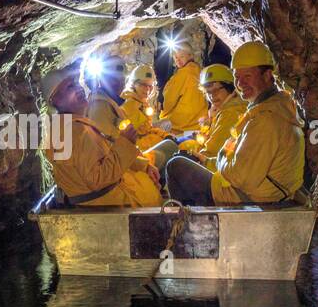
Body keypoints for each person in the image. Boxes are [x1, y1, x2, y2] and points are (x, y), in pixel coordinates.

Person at [164, 41, 306, 207]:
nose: (241, 84)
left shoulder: (266, 119)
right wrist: (207, 161)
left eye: (247, 77)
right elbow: (238, 159)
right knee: (183, 158)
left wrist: (221, 158)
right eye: (237, 77)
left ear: (267, 75)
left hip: (250, 197)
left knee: (176, 166)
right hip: (255, 190)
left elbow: (240, 176)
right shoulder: (264, 110)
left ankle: (192, 228)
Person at [44, 74, 162, 207]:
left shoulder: (72, 126)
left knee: (152, 180)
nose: (79, 88)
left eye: (77, 83)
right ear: (55, 100)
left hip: (108, 196)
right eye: (70, 87)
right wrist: (127, 143)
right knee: (154, 189)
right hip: (107, 203)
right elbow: (97, 179)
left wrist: (143, 165)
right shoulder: (71, 131)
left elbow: (104, 154)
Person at [119, 65, 171, 160]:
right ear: (134, 84)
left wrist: (165, 135)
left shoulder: (141, 102)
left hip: (146, 146)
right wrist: (160, 139)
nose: (147, 89)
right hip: (139, 154)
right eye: (143, 84)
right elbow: (137, 137)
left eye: (150, 86)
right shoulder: (128, 105)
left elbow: (148, 129)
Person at [159, 42, 206, 134]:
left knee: (153, 129)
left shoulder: (184, 73)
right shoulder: (200, 71)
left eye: (182, 57)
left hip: (182, 123)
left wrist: (163, 114)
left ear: (190, 56)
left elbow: (169, 98)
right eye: (176, 58)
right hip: (199, 122)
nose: (178, 60)